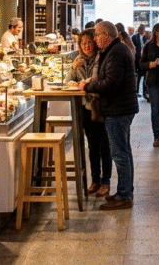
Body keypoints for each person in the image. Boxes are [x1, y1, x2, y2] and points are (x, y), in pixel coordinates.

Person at [80, 22, 138, 210]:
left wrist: (87, 86)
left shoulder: (116, 52)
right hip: (119, 108)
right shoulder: (115, 50)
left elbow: (111, 83)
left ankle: (124, 196)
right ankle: (124, 190)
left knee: (120, 154)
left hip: (118, 109)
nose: (95, 39)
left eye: (97, 35)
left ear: (106, 35)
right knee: (124, 152)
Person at [66, 29, 111, 197]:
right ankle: (95, 180)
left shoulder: (101, 59)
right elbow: (68, 82)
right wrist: (73, 67)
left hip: (101, 108)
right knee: (92, 146)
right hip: (85, 108)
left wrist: (85, 83)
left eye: (89, 43)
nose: (86, 46)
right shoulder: (79, 60)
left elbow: (98, 81)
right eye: (83, 43)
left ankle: (105, 181)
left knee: (104, 145)